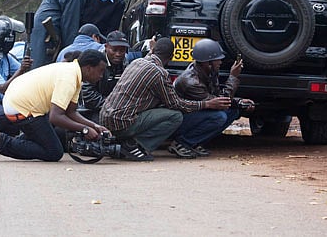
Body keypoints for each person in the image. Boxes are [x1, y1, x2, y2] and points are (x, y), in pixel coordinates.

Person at [99, 38, 231, 161]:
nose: (220, 62)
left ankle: (129, 141)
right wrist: (207, 104)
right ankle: (136, 146)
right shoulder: (158, 73)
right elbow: (176, 104)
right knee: (175, 116)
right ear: (171, 57)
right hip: (121, 123)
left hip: (105, 118)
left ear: (152, 50)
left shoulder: (137, 62)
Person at [0, 49, 110, 162]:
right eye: (101, 71)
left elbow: (70, 112)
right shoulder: (69, 78)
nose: (101, 76)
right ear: (88, 68)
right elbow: (55, 117)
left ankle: (6, 141)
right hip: (21, 108)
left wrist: (94, 126)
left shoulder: (74, 74)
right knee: (54, 152)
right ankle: (2, 143)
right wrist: (84, 129)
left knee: (47, 137)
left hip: (21, 103)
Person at [171, 38, 255, 158]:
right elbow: (218, 104)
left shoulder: (209, 71)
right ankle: (182, 143)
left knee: (233, 112)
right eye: (217, 60)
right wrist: (233, 77)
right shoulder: (191, 82)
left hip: (196, 113)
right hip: (181, 120)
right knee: (219, 117)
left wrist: (239, 102)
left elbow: (217, 97)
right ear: (207, 62)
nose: (220, 62)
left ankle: (195, 142)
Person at [30, 0, 99, 68]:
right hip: (47, 32)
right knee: (41, 67)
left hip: (42, 30)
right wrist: (70, 54)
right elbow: (70, 25)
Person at [81, 30, 138, 122]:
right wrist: (111, 105)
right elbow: (88, 93)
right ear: (106, 47)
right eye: (114, 50)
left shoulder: (127, 65)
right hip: (96, 110)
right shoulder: (95, 63)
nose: (118, 54)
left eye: (122, 50)